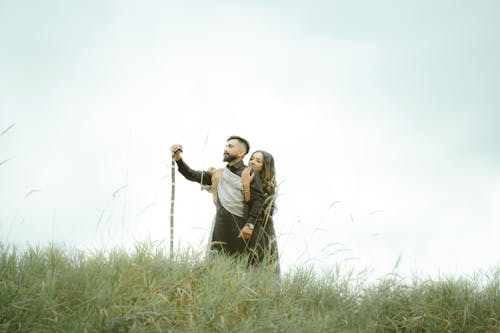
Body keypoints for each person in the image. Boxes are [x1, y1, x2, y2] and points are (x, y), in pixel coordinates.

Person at [170, 136, 264, 257]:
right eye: (225, 146)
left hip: (241, 226)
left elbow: (258, 200)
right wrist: (178, 159)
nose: (225, 149)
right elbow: (192, 175)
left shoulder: (249, 173)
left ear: (241, 152)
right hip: (220, 225)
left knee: (239, 265)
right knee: (216, 262)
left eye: (230, 146)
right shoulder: (218, 174)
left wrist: (250, 225)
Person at [211, 150, 280, 272]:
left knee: (256, 269)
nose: (252, 162)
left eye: (258, 161)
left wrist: (246, 185)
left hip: (260, 234)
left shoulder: (267, 187)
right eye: (252, 158)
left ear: (265, 167)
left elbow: (255, 209)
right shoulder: (241, 177)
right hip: (240, 229)